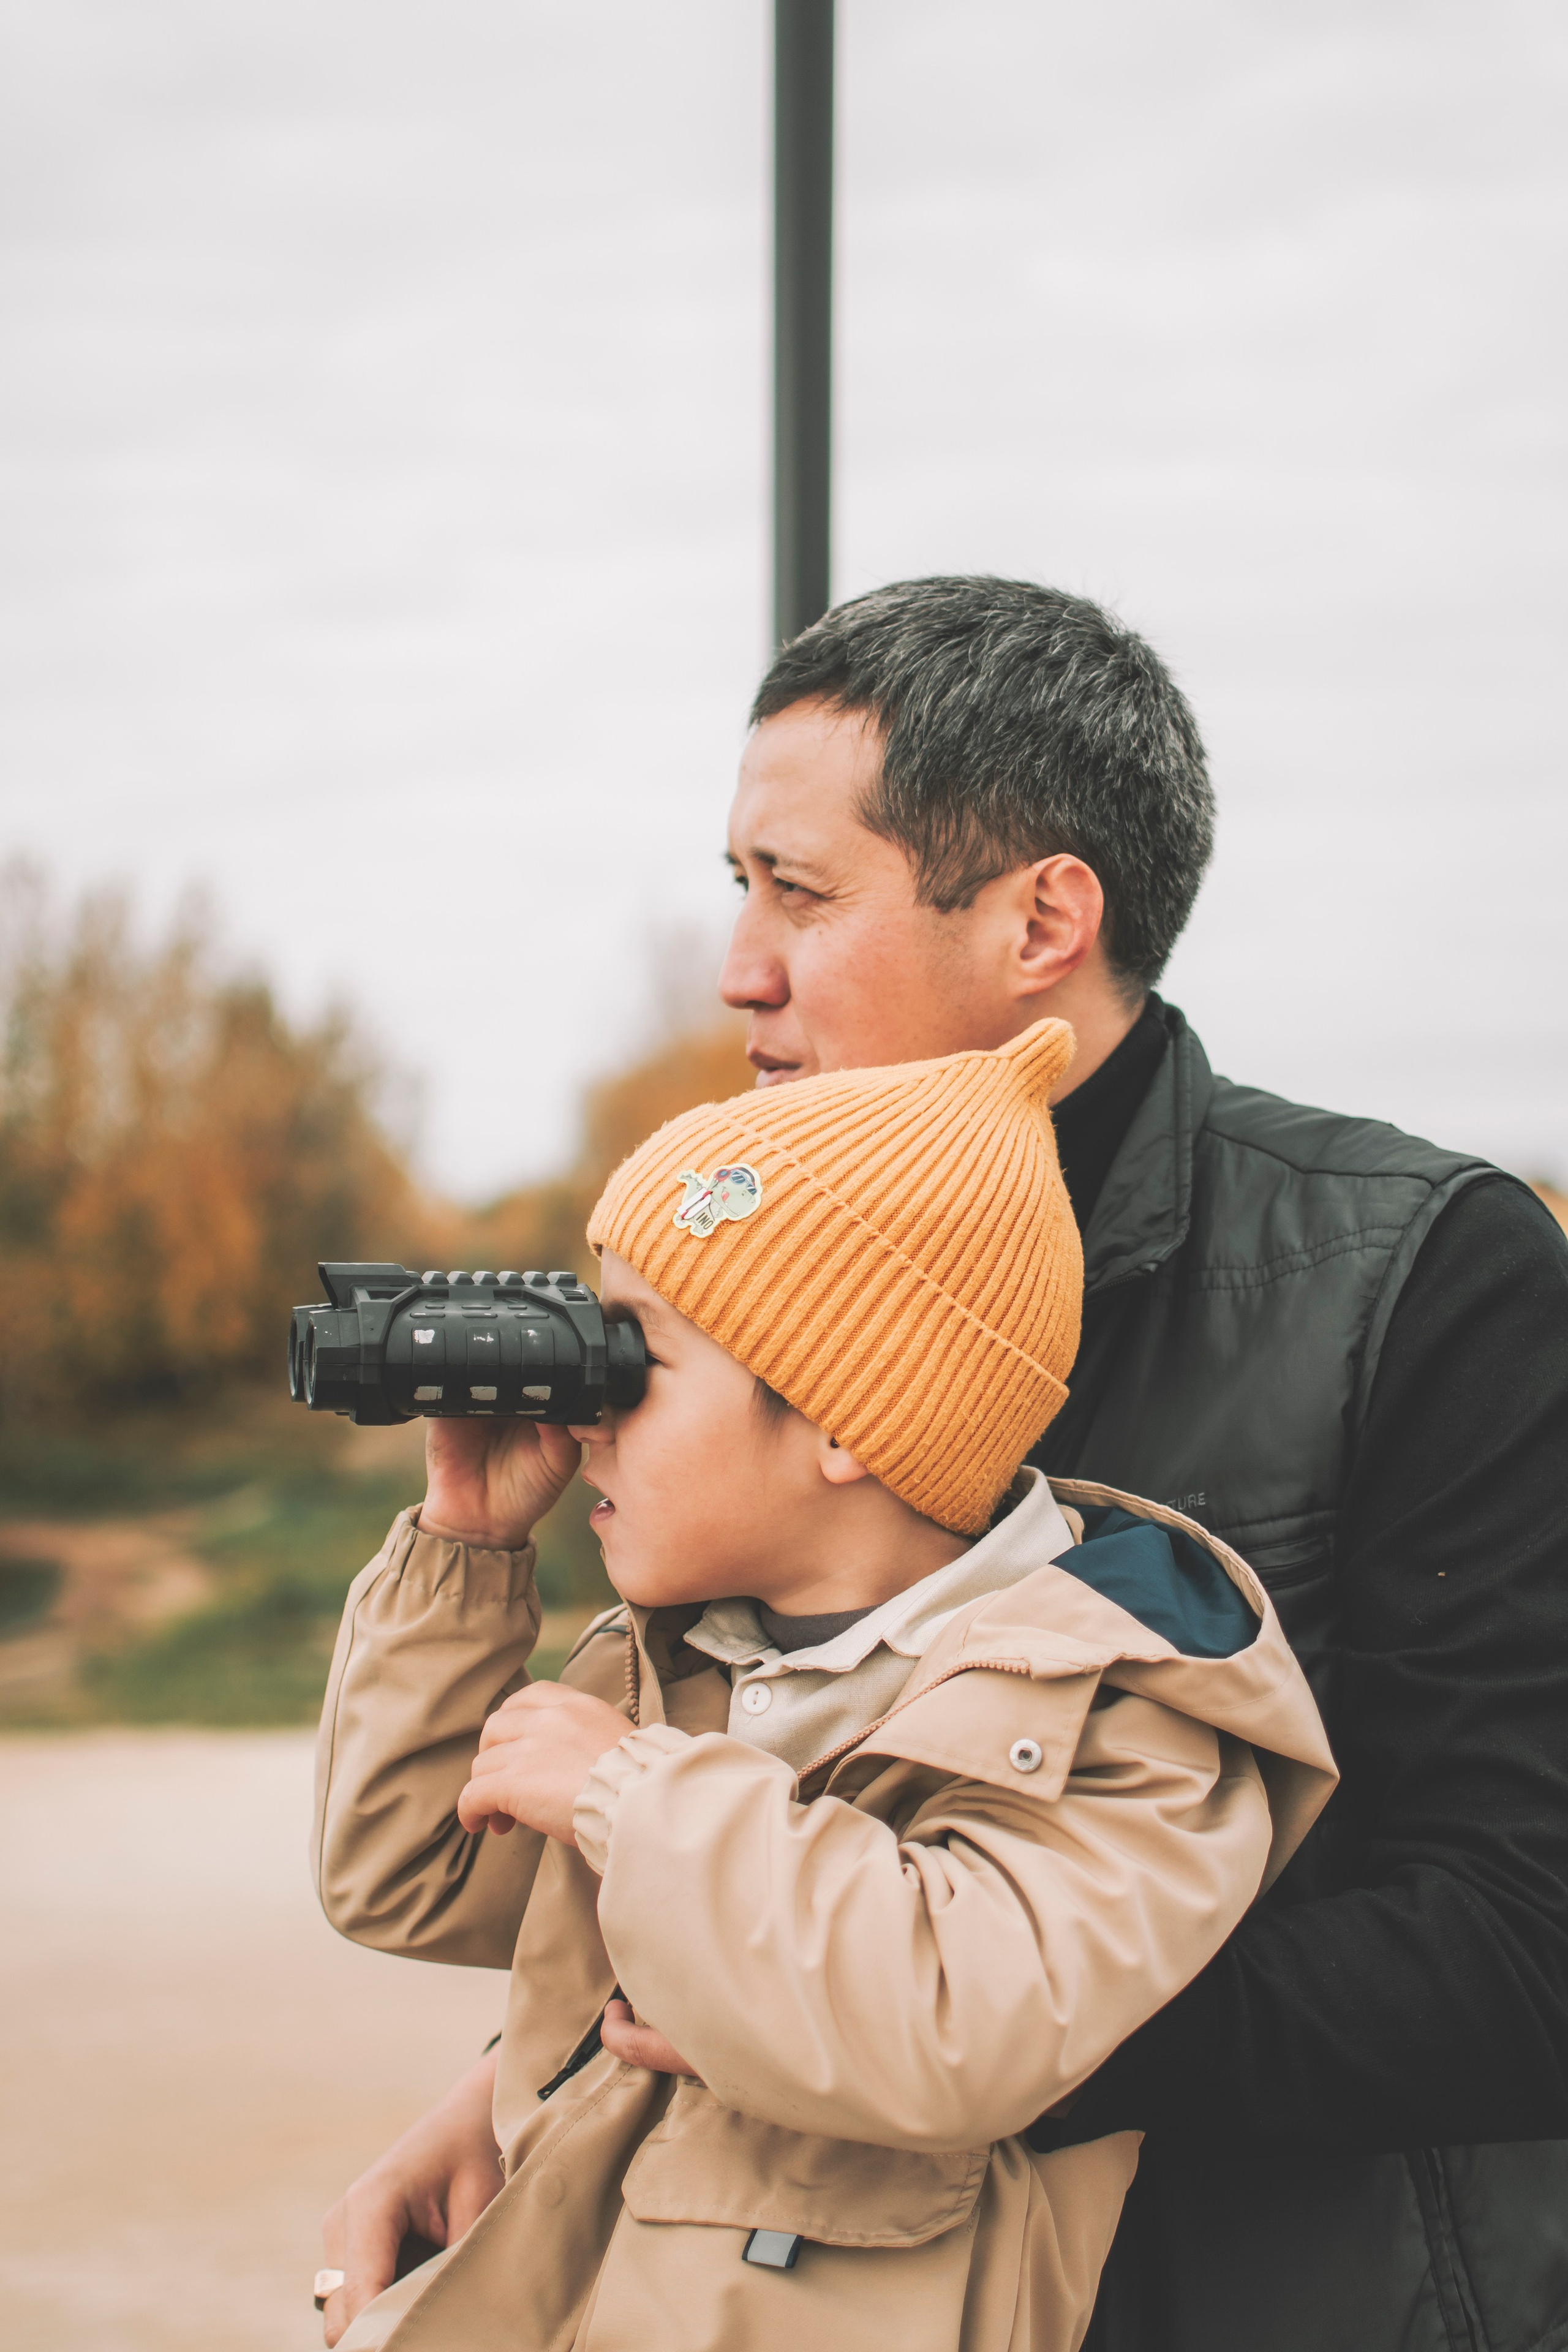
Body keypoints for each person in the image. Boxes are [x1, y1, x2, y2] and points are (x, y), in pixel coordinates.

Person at [320, 578, 1568, 2352]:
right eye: (736, 888)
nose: (739, 966)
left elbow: (1527, 1942)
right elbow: (787, 1789)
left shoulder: (1420, 1274)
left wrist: (931, 2041)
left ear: (1045, 916)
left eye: (801, 893)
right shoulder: (743, 1280)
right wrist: (563, 2070)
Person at [314, 1019, 1334, 2352]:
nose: (581, 1413)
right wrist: (466, 1546)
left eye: (636, 1364)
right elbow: (406, 1876)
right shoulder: (675, 1664)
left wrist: (624, 1791)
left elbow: (951, 2020)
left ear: (846, 1423)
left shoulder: (1114, 1707)